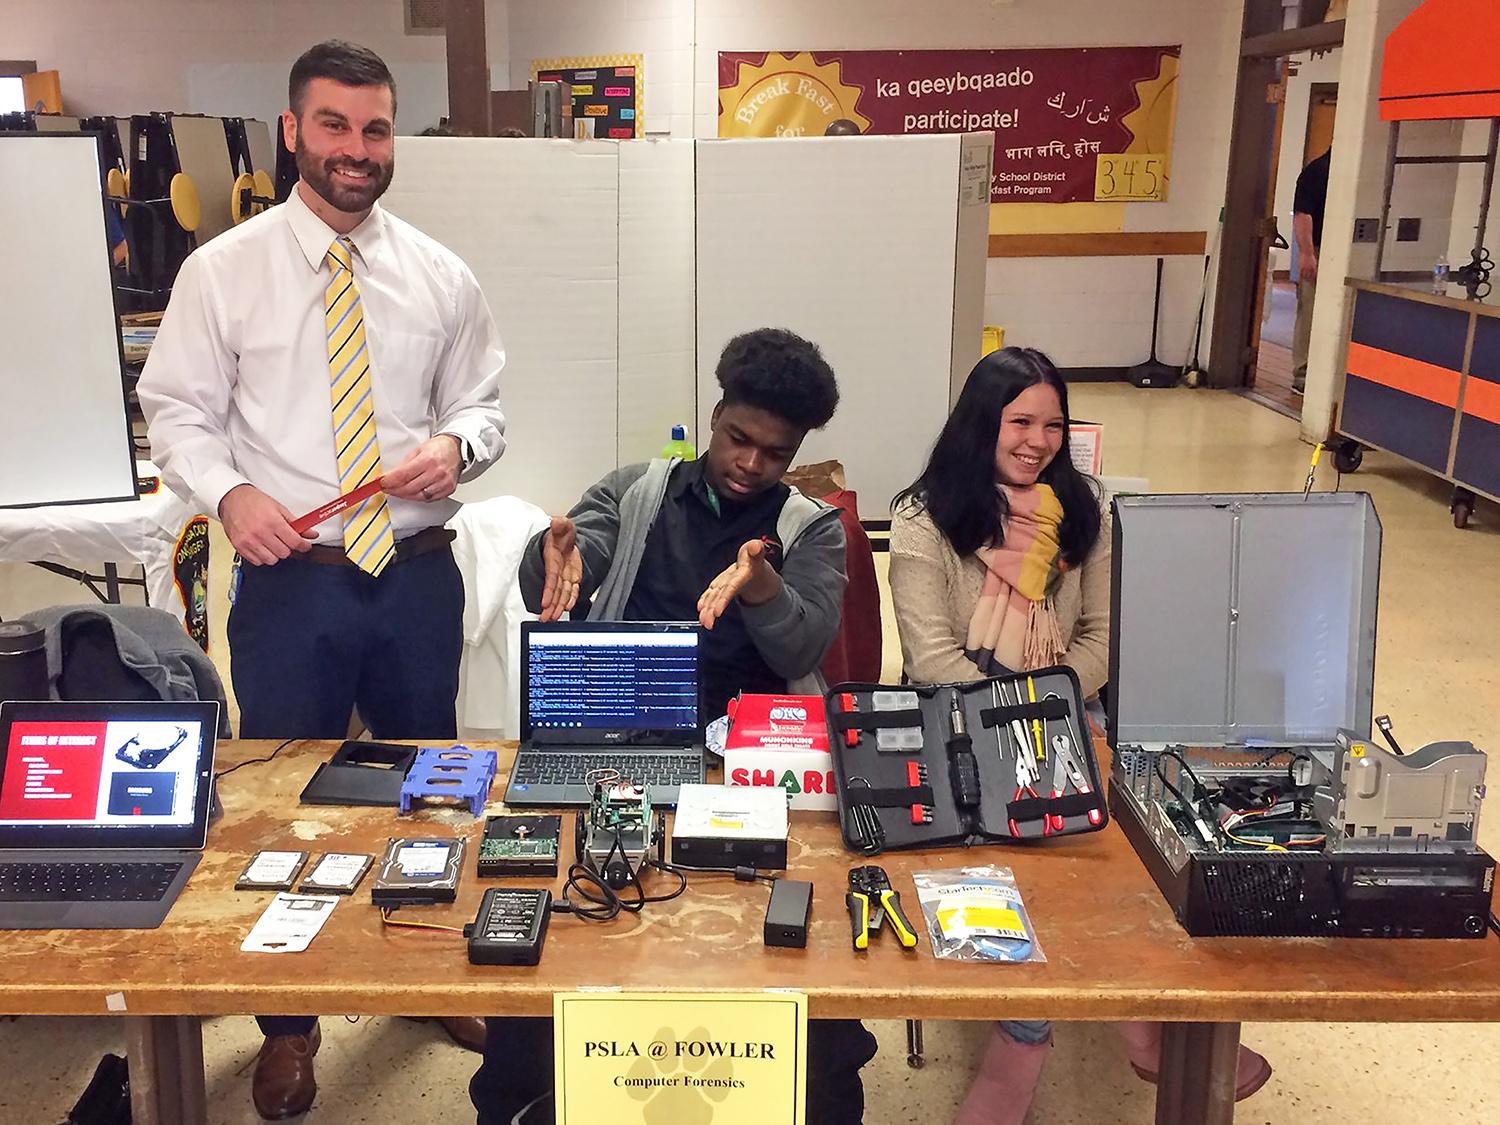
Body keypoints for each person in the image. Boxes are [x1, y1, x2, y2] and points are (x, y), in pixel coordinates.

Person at [138, 40, 505, 1121]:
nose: (357, 149)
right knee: (287, 804)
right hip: (290, 575)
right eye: (335, 126)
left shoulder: (442, 276)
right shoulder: (224, 271)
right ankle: (288, 1025)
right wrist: (227, 494)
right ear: (293, 130)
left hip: (414, 574)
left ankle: (416, 970)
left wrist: (459, 449)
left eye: (376, 128)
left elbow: (486, 407)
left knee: (423, 793)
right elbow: (179, 414)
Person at [470, 328, 877, 1125]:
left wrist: (762, 584)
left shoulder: (811, 529)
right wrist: (553, 559)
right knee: (546, 944)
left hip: (748, 761)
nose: (751, 463)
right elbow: (571, 561)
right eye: (738, 438)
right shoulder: (636, 489)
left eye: (775, 450)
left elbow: (802, 644)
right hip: (616, 740)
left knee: (803, 979)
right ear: (714, 412)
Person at [888, 348, 1272, 1124]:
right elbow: (931, 660)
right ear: (982, 423)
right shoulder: (925, 517)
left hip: (1065, 707)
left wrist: (1048, 706)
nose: (1038, 440)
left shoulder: (1081, 508)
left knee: (1109, 855)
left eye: (1053, 424)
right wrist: (1020, 719)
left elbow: (1099, 638)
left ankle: (1032, 1043)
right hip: (952, 719)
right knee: (1036, 847)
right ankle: (1098, 1034)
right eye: (1020, 421)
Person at [1292, 147, 1331, 394]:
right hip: (1317, 247)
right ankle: (1302, 374)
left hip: (1344, 247)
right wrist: (1307, 253)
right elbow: (1302, 213)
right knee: (1310, 308)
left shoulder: (1355, 170)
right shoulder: (1317, 171)